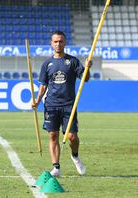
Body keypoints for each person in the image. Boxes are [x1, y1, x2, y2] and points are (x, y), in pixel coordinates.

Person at [31, 30, 92, 177]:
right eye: (55, 41)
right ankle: (56, 167)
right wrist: (37, 100)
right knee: (53, 135)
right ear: (51, 43)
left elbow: (86, 79)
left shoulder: (72, 61)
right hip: (51, 104)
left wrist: (88, 68)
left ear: (65, 43)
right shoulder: (47, 63)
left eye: (61, 41)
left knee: (72, 137)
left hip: (68, 104)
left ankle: (75, 156)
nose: (58, 44)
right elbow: (43, 85)